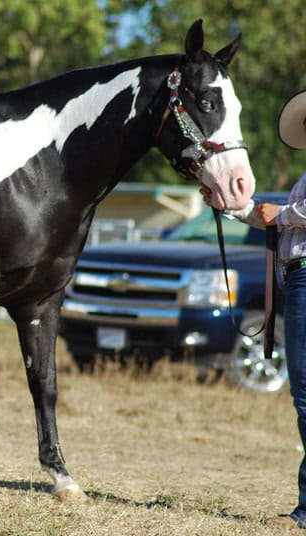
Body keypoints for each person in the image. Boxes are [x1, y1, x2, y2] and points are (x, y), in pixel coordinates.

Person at [202, 89, 306, 529]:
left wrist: (279, 216)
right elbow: (276, 215)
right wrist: (233, 209)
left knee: (305, 393)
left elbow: (286, 216)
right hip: (297, 276)